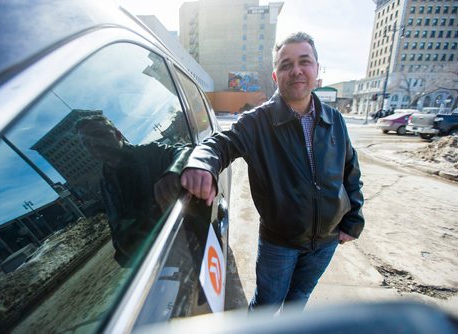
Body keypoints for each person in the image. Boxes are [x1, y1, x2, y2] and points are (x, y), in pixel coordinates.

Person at [180, 32, 364, 312]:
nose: (296, 70)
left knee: (298, 300)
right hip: (280, 242)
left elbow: (350, 171)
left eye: (305, 61)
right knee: (266, 306)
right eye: (286, 64)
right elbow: (222, 144)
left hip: (326, 240)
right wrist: (202, 162)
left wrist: (352, 221)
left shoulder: (334, 118)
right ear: (276, 76)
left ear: (317, 70)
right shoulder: (257, 122)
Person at [75, 114, 190, 266]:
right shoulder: (106, 183)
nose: (94, 144)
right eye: (86, 143)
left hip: (186, 239)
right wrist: (122, 249)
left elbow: (184, 152)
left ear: (117, 134)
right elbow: (115, 221)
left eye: (98, 135)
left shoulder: (148, 153)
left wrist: (173, 171)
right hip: (153, 260)